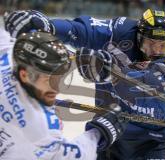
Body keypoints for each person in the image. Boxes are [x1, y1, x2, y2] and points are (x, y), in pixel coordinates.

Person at [4, 9, 165, 160]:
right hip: (108, 134)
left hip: (152, 144)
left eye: (163, 46)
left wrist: (114, 74)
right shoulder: (120, 32)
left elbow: (151, 83)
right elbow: (79, 30)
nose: (155, 52)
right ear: (139, 36)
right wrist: (48, 26)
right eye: (151, 44)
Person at [0, 31, 125, 160]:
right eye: (48, 79)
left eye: (60, 77)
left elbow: (26, 41)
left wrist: (77, 59)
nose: (57, 88)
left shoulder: (7, 57)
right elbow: (75, 156)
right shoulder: (41, 129)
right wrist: (100, 132)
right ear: (24, 75)